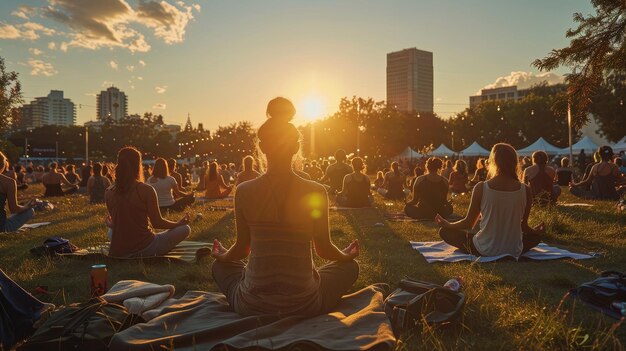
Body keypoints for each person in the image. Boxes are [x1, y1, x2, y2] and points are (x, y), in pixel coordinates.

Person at [211, 97, 359, 316]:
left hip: (251, 304)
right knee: (350, 268)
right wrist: (346, 256)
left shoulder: (244, 191)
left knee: (219, 267)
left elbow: (243, 249)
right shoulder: (316, 190)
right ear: (296, 146)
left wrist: (222, 256)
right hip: (304, 304)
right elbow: (324, 249)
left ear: (262, 147)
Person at [436, 143, 544, 257]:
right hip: (514, 249)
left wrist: (448, 224)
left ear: (493, 162)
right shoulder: (525, 189)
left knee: (444, 232)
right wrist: (536, 231)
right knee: (536, 237)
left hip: (484, 249)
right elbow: (524, 227)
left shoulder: (481, 187)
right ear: (515, 163)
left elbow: (469, 223)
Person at [105, 147, 191, 258]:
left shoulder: (108, 192)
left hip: (119, 249)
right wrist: (178, 224)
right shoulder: (146, 190)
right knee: (185, 229)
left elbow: (121, 220)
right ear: (138, 165)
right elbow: (157, 223)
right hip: (145, 248)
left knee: (111, 231)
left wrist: (113, 225)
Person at [0, 152, 36, 232]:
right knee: (30, 211)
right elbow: (14, 209)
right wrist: (27, 206)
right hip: (2, 228)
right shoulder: (9, 182)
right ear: (3, 165)